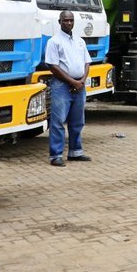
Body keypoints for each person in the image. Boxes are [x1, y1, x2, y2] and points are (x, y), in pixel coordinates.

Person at [46, 11, 92, 166]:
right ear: (59, 22)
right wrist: (72, 81)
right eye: (65, 20)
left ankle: (75, 152)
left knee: (77, 121)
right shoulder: (54, 41)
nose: (69, 23)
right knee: (58, 121)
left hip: (79, 85)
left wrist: (82, 81)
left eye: (71, 20)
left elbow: (87, 62)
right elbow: (53, 66)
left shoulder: (80, 41)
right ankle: (56, 155)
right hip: (61, 86)